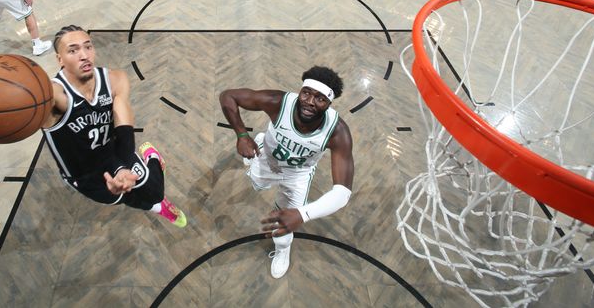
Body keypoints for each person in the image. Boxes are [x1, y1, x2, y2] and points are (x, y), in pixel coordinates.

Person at [31, 25, 188, 227]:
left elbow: (124, 127)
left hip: (115, 154)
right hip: (82, 172)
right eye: (73, 50)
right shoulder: (53, 96)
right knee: (118, 197)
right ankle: (154, 206)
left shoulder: (115, 79)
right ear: (59, 59)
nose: (84, 55)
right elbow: (24, 107)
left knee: (155, 192)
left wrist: (123, 168)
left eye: (88, 47)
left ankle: (153, 159)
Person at [219, 66, 354, 278]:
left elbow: (342, 193)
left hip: (297, 175)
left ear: (329, 104)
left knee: (283, 225)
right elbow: (228, 96)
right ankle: (260, 143)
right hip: (268, 161)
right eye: (306, 92)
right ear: (300, 91)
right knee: (257, 182)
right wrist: (242, 135)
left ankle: (282, 250)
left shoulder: (338, 132)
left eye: (319, 98)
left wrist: (303, 214)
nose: (309, 101)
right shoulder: (279, 102)